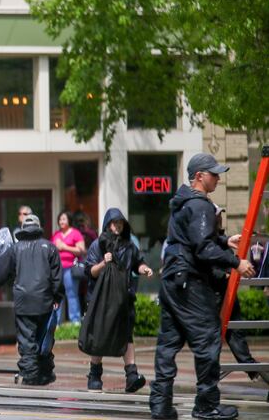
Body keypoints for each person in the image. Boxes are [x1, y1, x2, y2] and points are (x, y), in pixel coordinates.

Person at [149, 153, 255, 420]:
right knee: (208, 340)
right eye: (214, 174)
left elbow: (190, 239)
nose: (218, 178)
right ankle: (207, 406)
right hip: (191, 283)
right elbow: (202, 248)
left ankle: (160, 406)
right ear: (199, 176)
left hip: (173, 280)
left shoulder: (182, 203)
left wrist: (221, 242)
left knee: (168, 344)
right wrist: (236, 262)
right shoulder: (201, 205)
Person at [84, 208, 153, 393]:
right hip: (102, 300)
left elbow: (138, 262)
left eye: (121, 223)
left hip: (124, 299)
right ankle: (94, 375)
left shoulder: (129, 246)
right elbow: (90, 271)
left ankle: (132, 375)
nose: (118, 226)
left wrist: (144, 269)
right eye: (115, 223)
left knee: (127, 335)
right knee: (100, 335)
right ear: (107, 224)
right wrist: (103, 263)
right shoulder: (97, 246)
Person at [0, 214, 62, 385]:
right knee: (44, 337)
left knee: (26, 338)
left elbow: (1, 272)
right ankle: (45, 373)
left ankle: (31, 375)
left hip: (23, 301)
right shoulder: (50, 247)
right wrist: (57, 296)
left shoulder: (15, 249)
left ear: (23, 228)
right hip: (45, 300)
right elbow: (57, 277)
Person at [211, 206, 269, 385]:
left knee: (236, 340)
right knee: (213, 343)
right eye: (217, 215)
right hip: (214, 299)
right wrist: (227, 273)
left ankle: (255, 370)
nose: (220, 218)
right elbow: (207, 265)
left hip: (226, 296)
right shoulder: (207, 240)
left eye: (221, 215)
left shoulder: (222, 238)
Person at [50, 211, 85, 323]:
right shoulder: (56, 235)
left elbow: (81, 251)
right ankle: (57, 322)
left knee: (72, 294)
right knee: (57, 295)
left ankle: (75, 321)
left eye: (64, 219)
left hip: (70, 268)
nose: (61, 221)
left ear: (69, 220)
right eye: (60, 219)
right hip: (57, 269)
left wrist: (64, 247)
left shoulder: (75, 233)